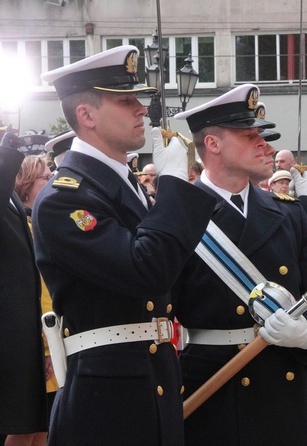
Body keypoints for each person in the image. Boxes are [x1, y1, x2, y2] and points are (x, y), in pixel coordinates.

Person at [33, 45, 217, 446]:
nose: (142, 110)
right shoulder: (66, 197)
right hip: (106, 396)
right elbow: (146, 269)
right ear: (86, 115)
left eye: (139, 99)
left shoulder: (121, 185)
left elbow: (174, 270)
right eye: (126, 100)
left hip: (151, 378)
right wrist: (170, 188)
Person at [172, 84, 307, 445]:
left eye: (262, 136)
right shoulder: (177, 214)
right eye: (250, 136)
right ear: (212, 145)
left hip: (284, 381)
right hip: (212, 383)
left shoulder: (287, 213)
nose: (266, 145)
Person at [1, 135, 49, 446]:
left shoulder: (13, 201)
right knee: (19, 423)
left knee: (35, 422)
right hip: (7, 332)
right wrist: (9, 149)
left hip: (25, 328)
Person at [15, 153, 58, 446]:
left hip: (51, 336)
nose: (52, 180)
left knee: (44, 427)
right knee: (25, 427)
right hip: (38, 339)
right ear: (28, 185)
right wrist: (47, 344)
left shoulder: (41, 223)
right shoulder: (24, 228)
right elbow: (39, 290)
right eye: (45, 177)